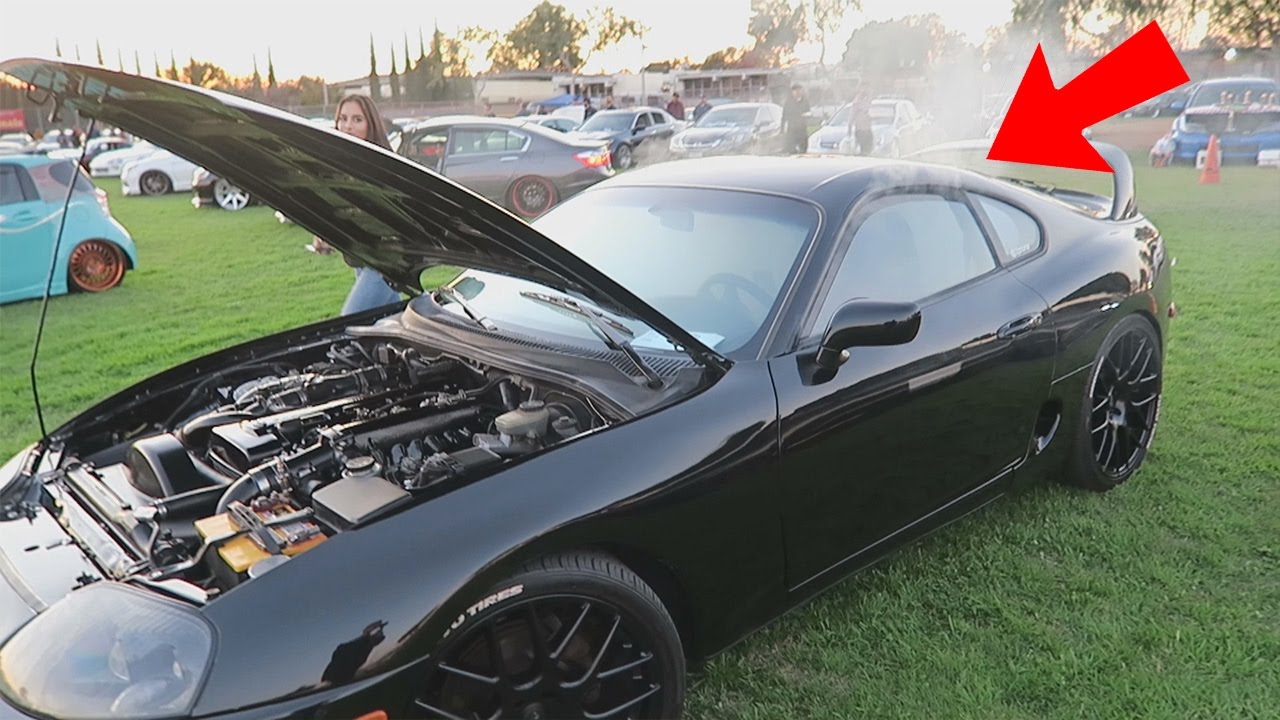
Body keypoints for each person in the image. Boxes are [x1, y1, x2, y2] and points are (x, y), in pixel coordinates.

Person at [308, 94, 403, 316]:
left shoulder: (383, 167)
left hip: (384, 264)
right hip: (361, 259)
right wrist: (326, 233)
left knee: (349, 323)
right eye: (343, 118)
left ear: (371, 125)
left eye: (357, 120)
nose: (348, 126)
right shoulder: (343, 167)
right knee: (391, 324)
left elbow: (380, 220)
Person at [782, 83, 810, 154]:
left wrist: (805, 115)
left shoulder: (805, 101)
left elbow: (809, 113)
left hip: (802, 129)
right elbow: (784, 116)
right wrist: (782, 129)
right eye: (795, 91)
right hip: (791, 130)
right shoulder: (788, 102)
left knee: (803, 150)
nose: (797, 92)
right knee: (790, 150)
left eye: (799, 90)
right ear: (792, 92)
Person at [845, 91, 874, 156]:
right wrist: (849, 130)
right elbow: (851, 119)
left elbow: (871, 118)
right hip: (861, 131)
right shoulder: (856, 107)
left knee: (869, 149)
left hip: (868, 131)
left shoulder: (868, 108)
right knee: (864, 149)